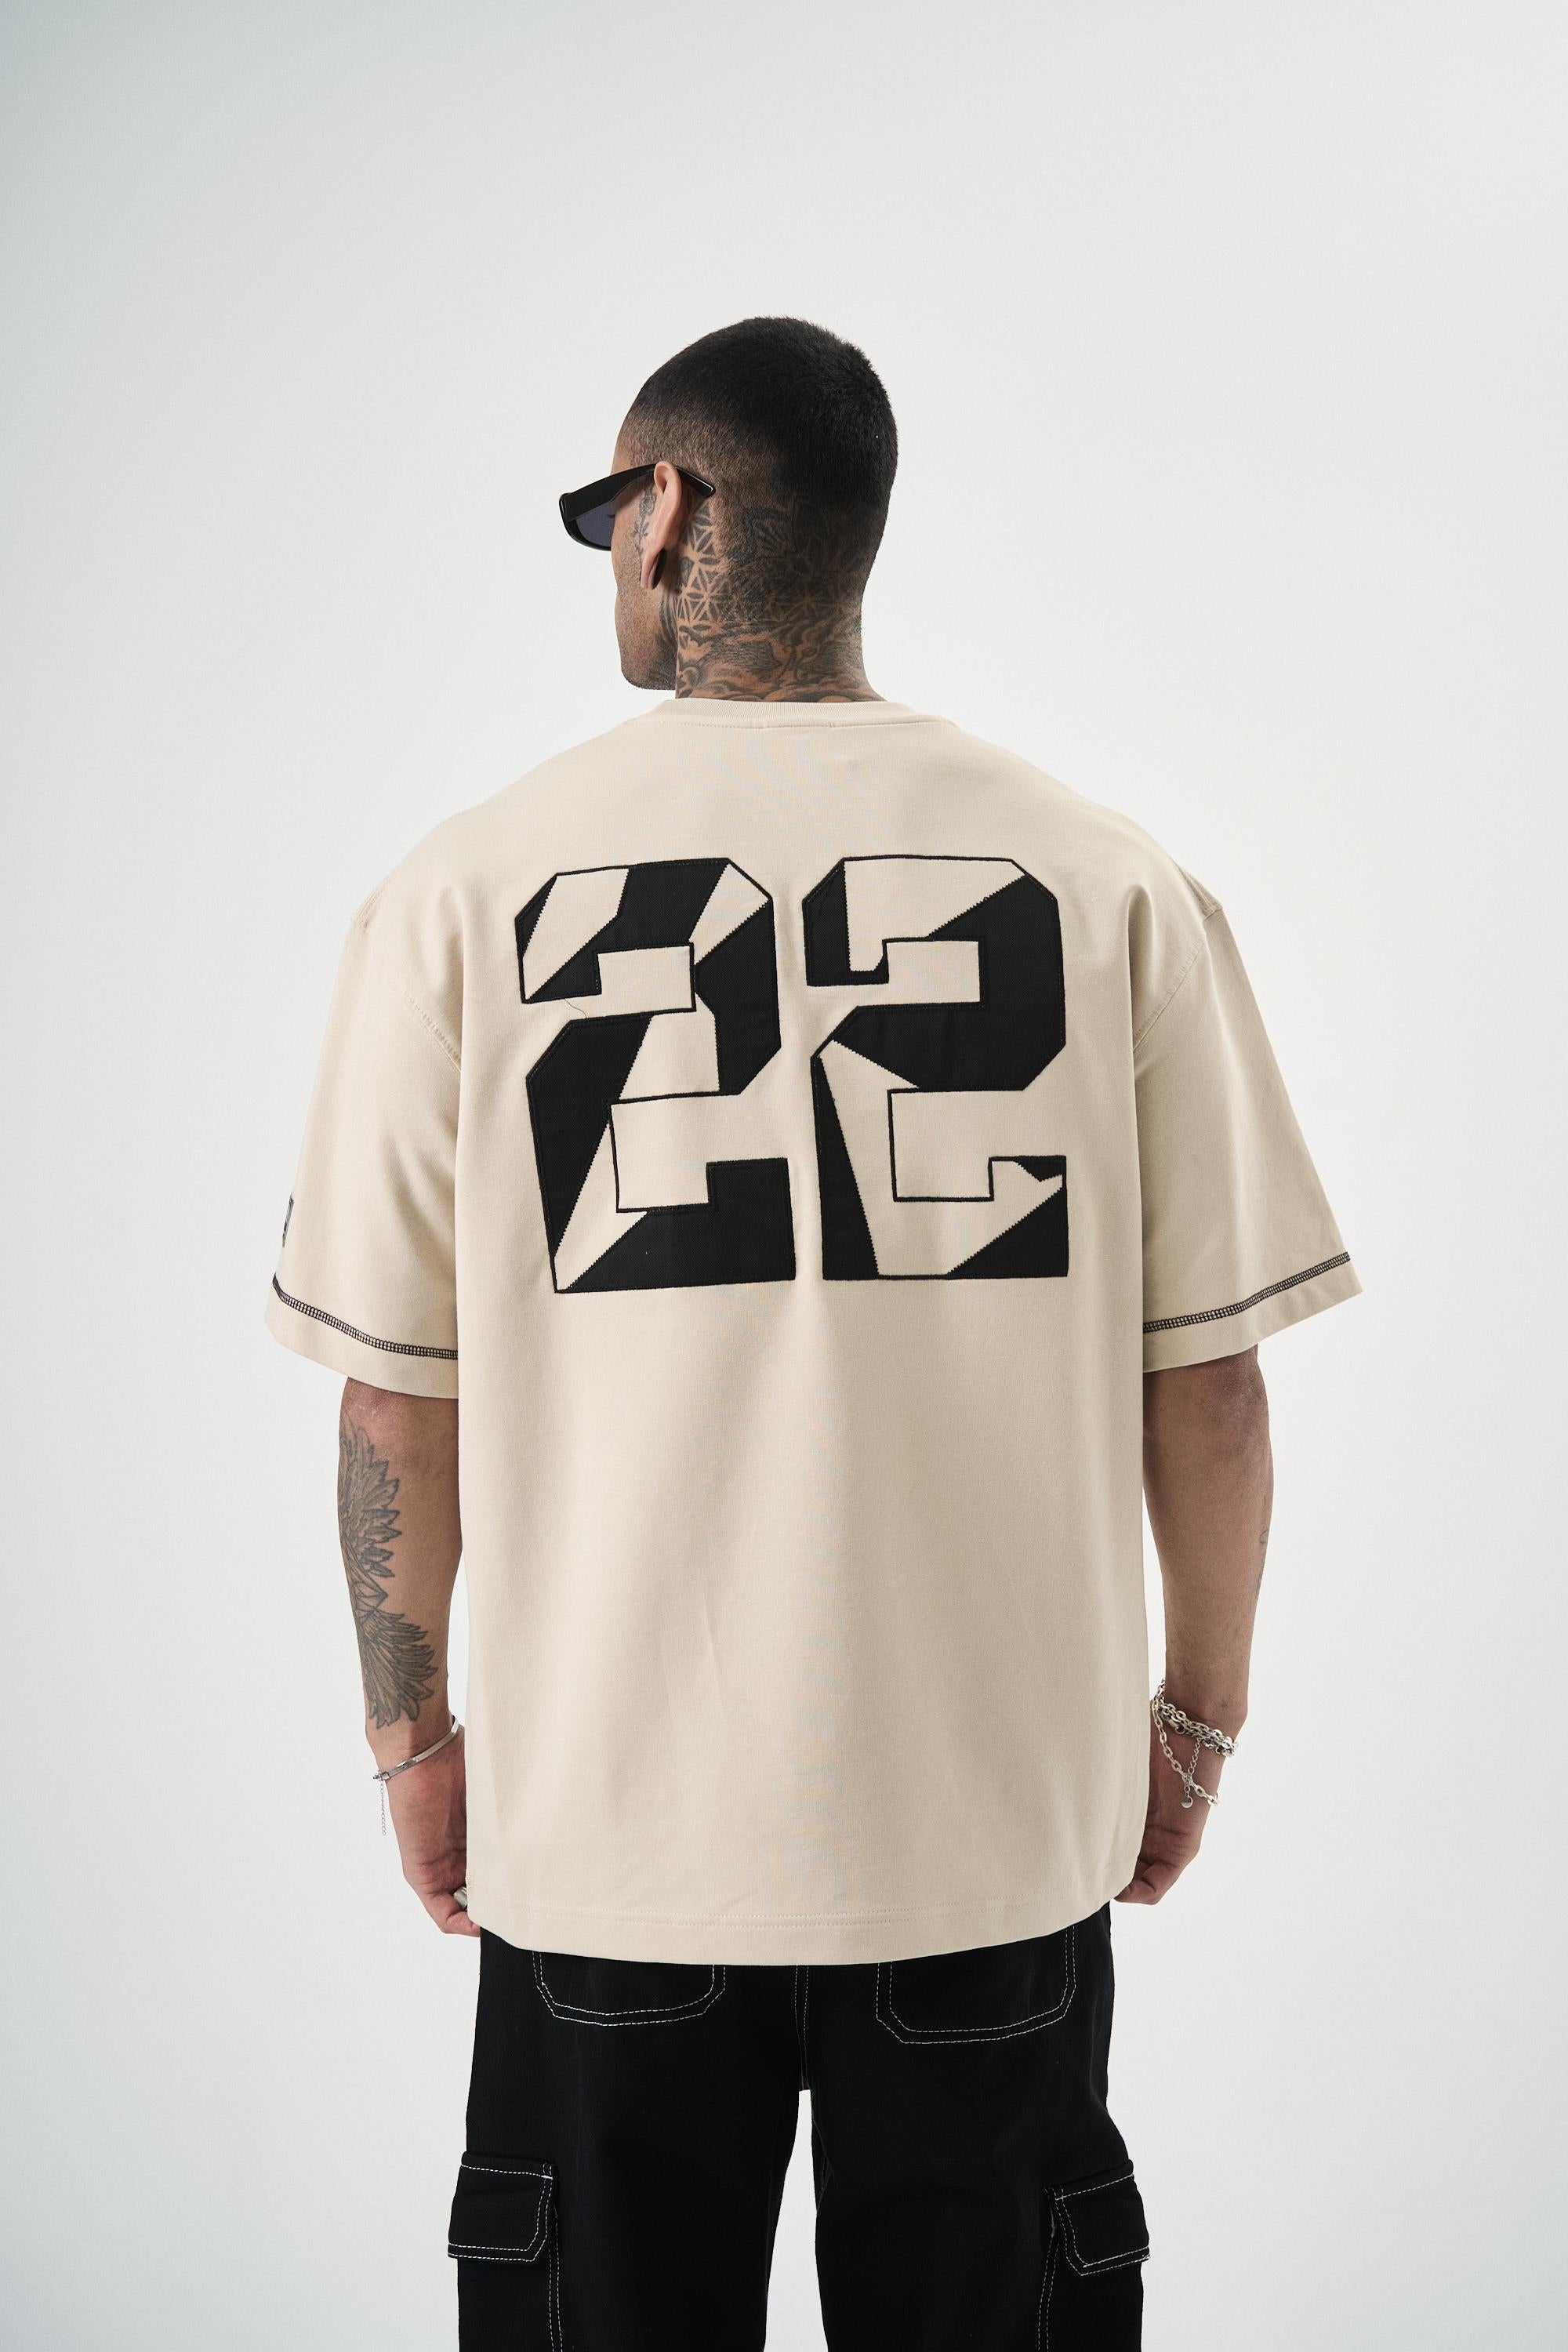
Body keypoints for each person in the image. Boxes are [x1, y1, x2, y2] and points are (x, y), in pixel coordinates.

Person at [267, 316, 1359, 2350]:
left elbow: (397, 1407)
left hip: (608, 1833)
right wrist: (1195, 1722)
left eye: (605, 515)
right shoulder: (1108, 881)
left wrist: (413, 1741)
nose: (610, 557)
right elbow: (1208, 1384)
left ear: (669, 511)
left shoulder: (458, 897)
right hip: (985, 1829)